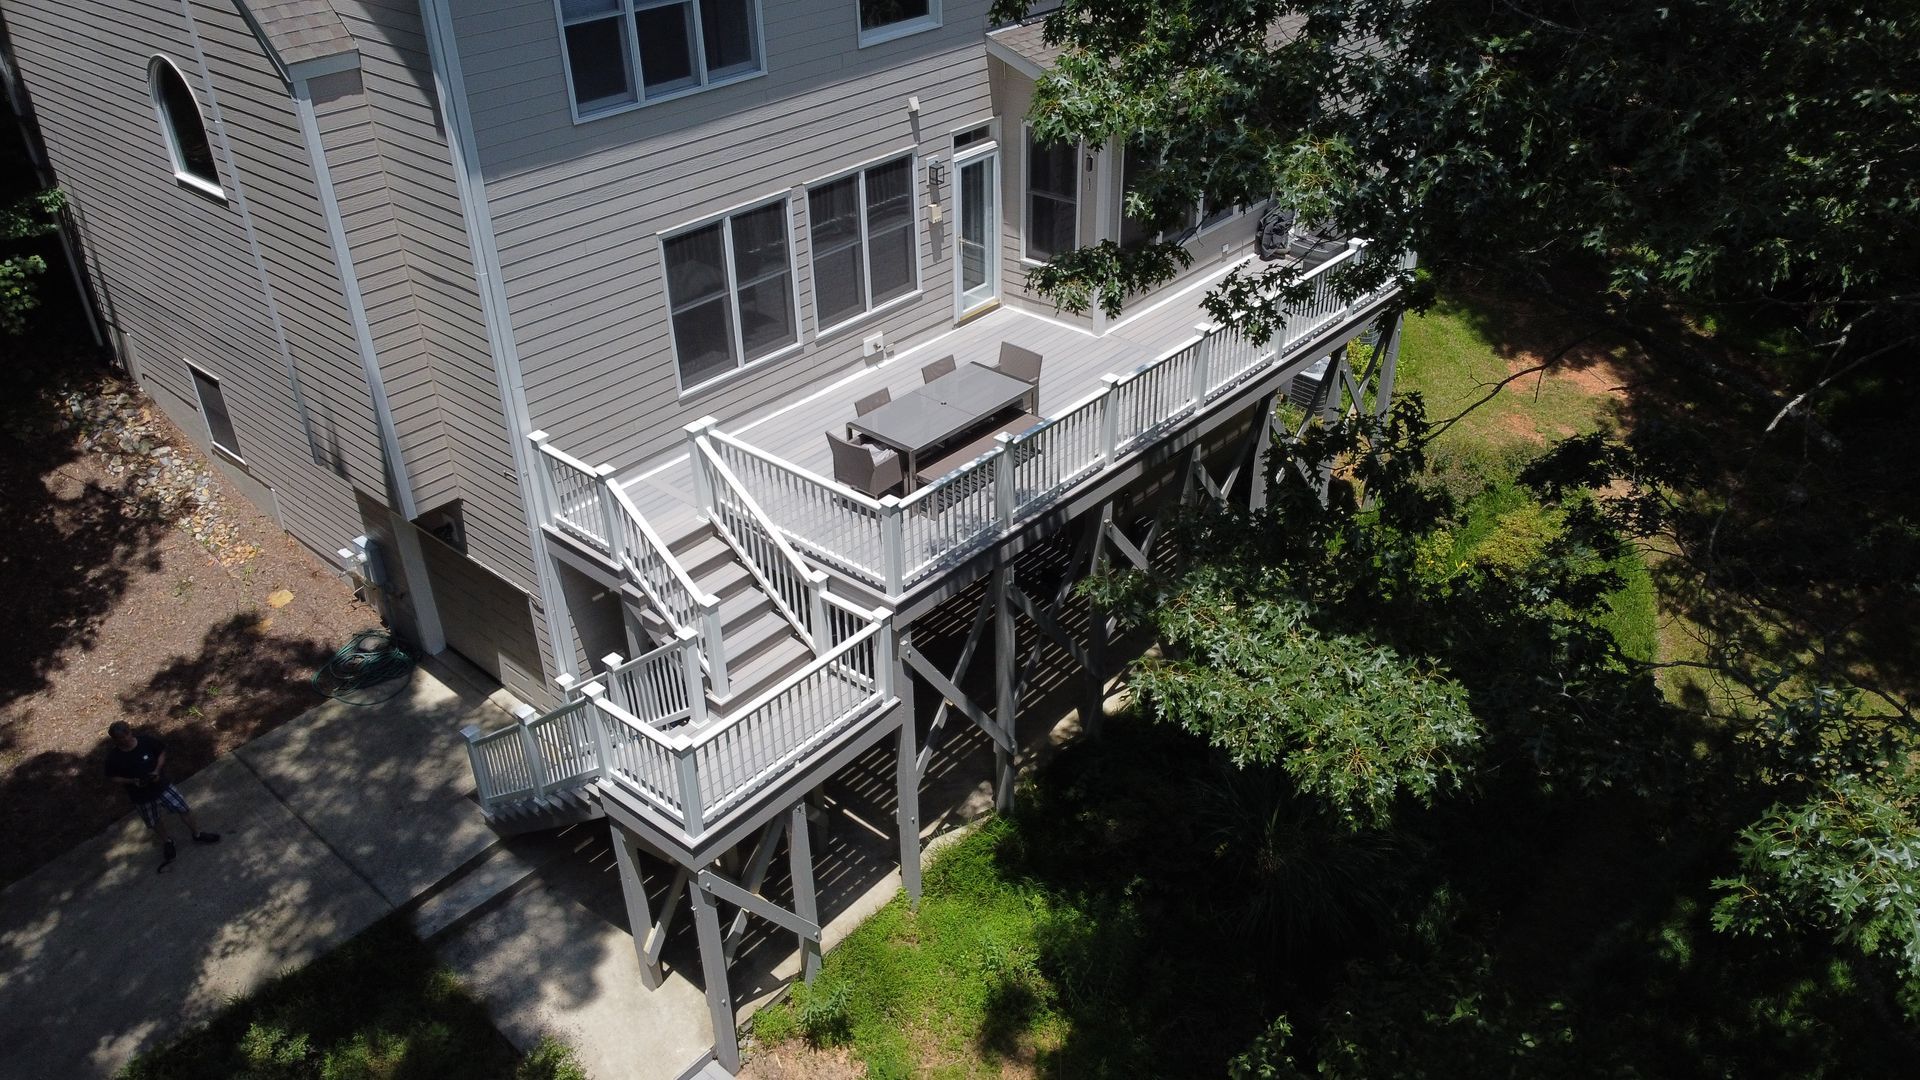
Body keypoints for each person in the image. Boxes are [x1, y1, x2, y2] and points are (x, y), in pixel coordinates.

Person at [104, 721, 219, 872]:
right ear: (115, 740)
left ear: (130, 732)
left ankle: (197, 834)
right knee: (154, 820)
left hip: (162, 786)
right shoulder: (114, 758)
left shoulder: (145, 741)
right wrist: (132, 781)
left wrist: (157, 770)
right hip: (141, 796)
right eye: (120, 740)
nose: (125, 741)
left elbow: (161, 752)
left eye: (126, 736)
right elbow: (113, 777)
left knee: (183, 808)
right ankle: (167, 842)